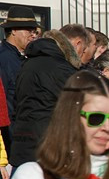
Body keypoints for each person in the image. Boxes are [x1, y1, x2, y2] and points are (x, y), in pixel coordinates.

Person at [11, 26, 90, 167]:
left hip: (22, 141)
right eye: (83, 50)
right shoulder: (61, 68)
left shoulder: (28, 63)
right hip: (47, 144)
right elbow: (81, 103)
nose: (83, 55)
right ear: (77, 44)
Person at [0, 5, 41, 135]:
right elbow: (5, 101)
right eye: (29, 31)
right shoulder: (4, 58)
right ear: (13, 31)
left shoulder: (23, 56)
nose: (33, 35)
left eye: (34, 32)